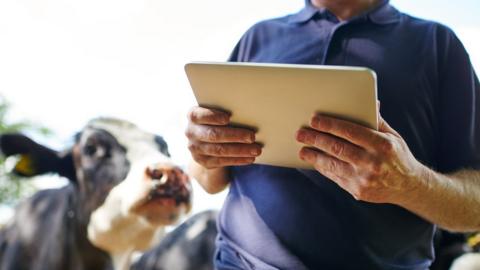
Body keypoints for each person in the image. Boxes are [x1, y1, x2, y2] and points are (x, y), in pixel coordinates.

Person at [185, 0, 480, 269]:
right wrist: (205, 154)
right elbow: (208, 179)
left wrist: (410, 184)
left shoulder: (438, 45)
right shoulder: (258, 37)